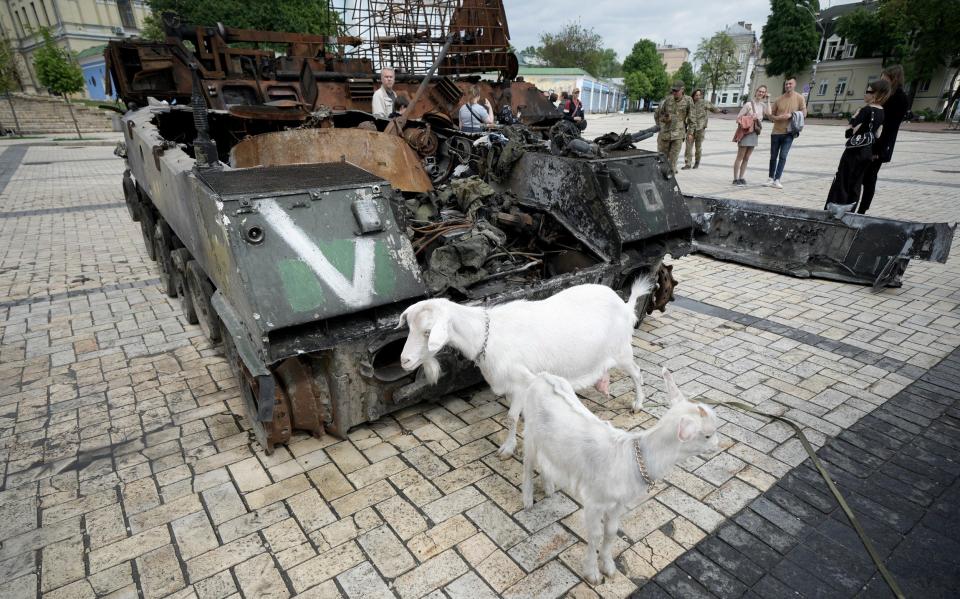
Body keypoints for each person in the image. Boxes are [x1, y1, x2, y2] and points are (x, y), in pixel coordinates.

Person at [823, 80, 889, 210]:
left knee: (843, 178)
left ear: (876, 94)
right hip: (867, 152)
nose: (865, 94)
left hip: (854, 151)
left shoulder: (866, 110)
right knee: (856, 181)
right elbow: (878, 134)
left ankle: (835, 207)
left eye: (868, 91)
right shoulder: (882, 112)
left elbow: (850, 132)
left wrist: (853, 119)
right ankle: (851, 209)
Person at [856, 65, 909, 214]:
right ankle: (854, 205)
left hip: (880, 145)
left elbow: (890, 128)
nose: (882, 80)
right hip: (870, 141)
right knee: (860, 175)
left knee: (870, 177)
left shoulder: (900, 98)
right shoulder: (884, 95)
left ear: (894, 79)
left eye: (885, 78)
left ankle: (862, 209)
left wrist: (878, 150)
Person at [767, 77, 807, 189]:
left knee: (783, 156)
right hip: (776, 132)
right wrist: (777, 118)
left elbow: (804, 113)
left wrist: (792, 115)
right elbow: (770, 116)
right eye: (786, 84)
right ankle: (770, 178)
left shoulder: (799, 98)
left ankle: (777, 179)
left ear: (794, 84)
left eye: (790, 84)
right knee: (773, 156)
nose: (788, 86)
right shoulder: (779, 99)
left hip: (789, 132)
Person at [732, 86, 769, 185]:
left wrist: (768, 100)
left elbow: (770, 114)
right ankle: (735, 179)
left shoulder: (762, 106)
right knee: (740, 157)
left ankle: (741, 177)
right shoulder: (748, 104)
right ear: (756, 92)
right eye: (759, 91)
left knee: (747, 157)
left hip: (755, 133)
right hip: (746, 133)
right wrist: (750, 117)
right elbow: (738, 118)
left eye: (763, 92)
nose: (761, 93)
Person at [654, 81, 694, 173]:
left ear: (682, 90)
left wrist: (691, 132)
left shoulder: (688, 100)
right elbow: (660, 114)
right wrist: (664, 120)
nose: (674, 92)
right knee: (662, 159)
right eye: (673, 90)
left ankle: (670, 181)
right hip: (665, 134)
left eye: (676, 91)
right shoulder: (668, 100)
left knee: (673, 162)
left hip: (678, 135)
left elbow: (692, 117)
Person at [683, 89, 720, 169]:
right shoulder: (689, 103)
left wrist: (721, 111)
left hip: (701, 129)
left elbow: (713, 108)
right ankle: (688, 163)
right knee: (688, 147)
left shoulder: (704, 102)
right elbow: (685, 115)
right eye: (696, 95)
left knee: (698, 147)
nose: (698, 97)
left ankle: (697, 162)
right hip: (691, 129)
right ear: (693, 95)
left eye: (700, 95)